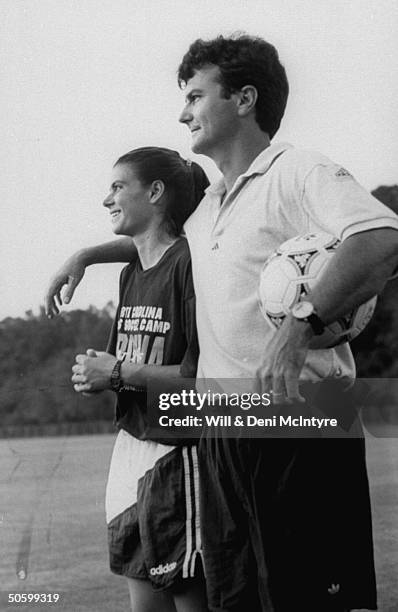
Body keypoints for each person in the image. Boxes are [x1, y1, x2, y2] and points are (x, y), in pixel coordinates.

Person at [45, 35, 398, 611]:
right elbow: (154, 242)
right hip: (223, 435)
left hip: (301, 425)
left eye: (195, 95)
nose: (183, 112)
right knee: (238, 601)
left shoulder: (297, 170)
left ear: (244, 99)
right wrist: (86, 255)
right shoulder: (209, 206)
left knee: (306, 600)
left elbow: (381, 238)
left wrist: (299, 325)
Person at [70, 146, 209, 612]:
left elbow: (199, 376)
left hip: (178, 451)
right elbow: (129, 367)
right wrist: (106, 377)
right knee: (143, 600)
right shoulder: (132, 270)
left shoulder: (190, 263)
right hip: (131, 445)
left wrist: (115, 372)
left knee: (190, 596)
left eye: (117, 187)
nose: (106, 199)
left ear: (155, 192)